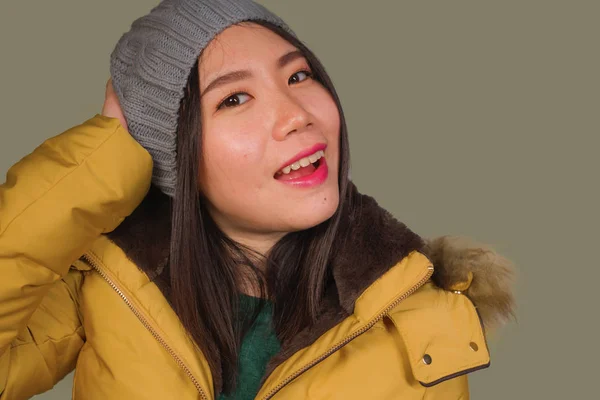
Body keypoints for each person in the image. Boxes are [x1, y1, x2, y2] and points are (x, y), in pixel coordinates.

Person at [0, 1, 515, 399]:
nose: (297, 113)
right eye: (234, 98)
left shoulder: (418, 316)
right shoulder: (105, 287)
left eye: (298, 75)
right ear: (170, 151)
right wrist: (102, 159)